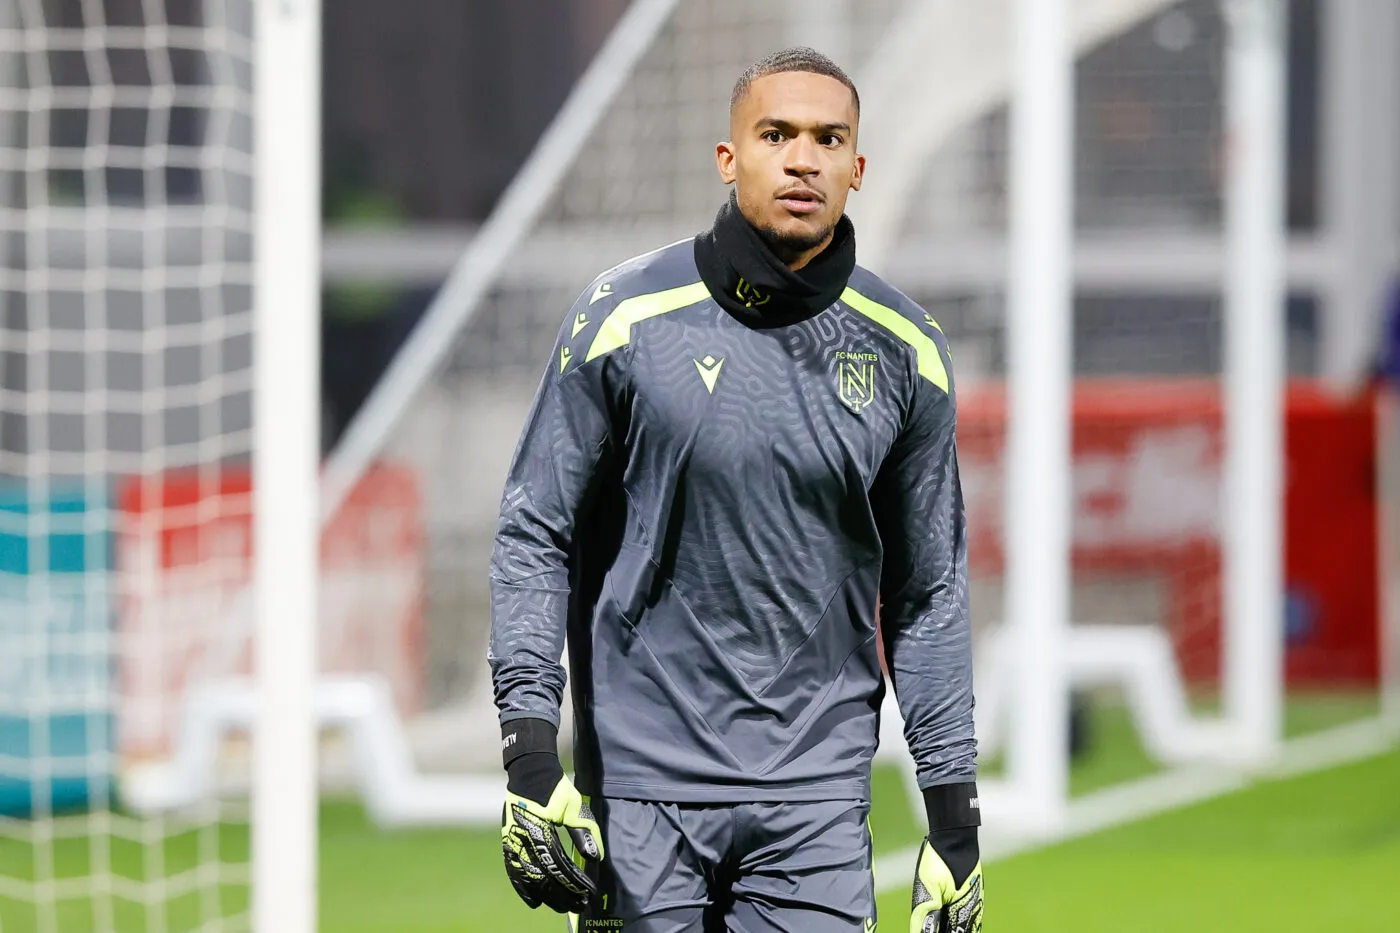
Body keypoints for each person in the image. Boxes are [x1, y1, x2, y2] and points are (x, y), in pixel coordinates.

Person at [489, 47, 981, 933]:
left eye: (828, 139)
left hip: (816, 798)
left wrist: (955, 821)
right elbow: (535, 531)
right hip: (639, 791)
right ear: (729, 157)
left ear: (857, 167)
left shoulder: (906, 351)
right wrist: (529, 751)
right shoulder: (623, 319)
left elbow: (928, 592)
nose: (803, 159)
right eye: (776, 134)